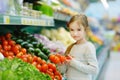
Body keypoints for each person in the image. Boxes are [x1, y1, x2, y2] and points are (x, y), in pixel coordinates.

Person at [61, 14, 99, 80]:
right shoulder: (71, 47)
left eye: (79, 30)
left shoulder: (88, 47)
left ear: (85, 29)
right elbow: (64, 70)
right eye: (72, 30)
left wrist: (73, 63)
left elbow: (94, 70)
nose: (75, 33)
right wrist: (60, 62)